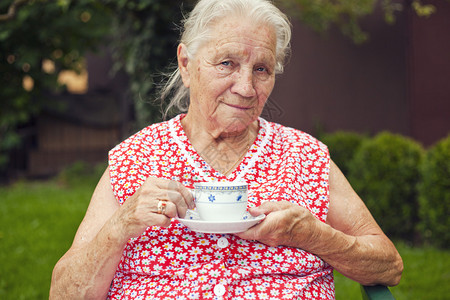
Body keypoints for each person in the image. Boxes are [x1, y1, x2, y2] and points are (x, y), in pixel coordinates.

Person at [50, 0, 403, 299]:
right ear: (187, 65)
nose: (247, 88)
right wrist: (121, 224)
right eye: (227, 64)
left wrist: (313, 235)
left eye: (261, 69)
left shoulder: (303, 156)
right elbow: (64, 292)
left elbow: (389, 265)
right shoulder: (136, 158)